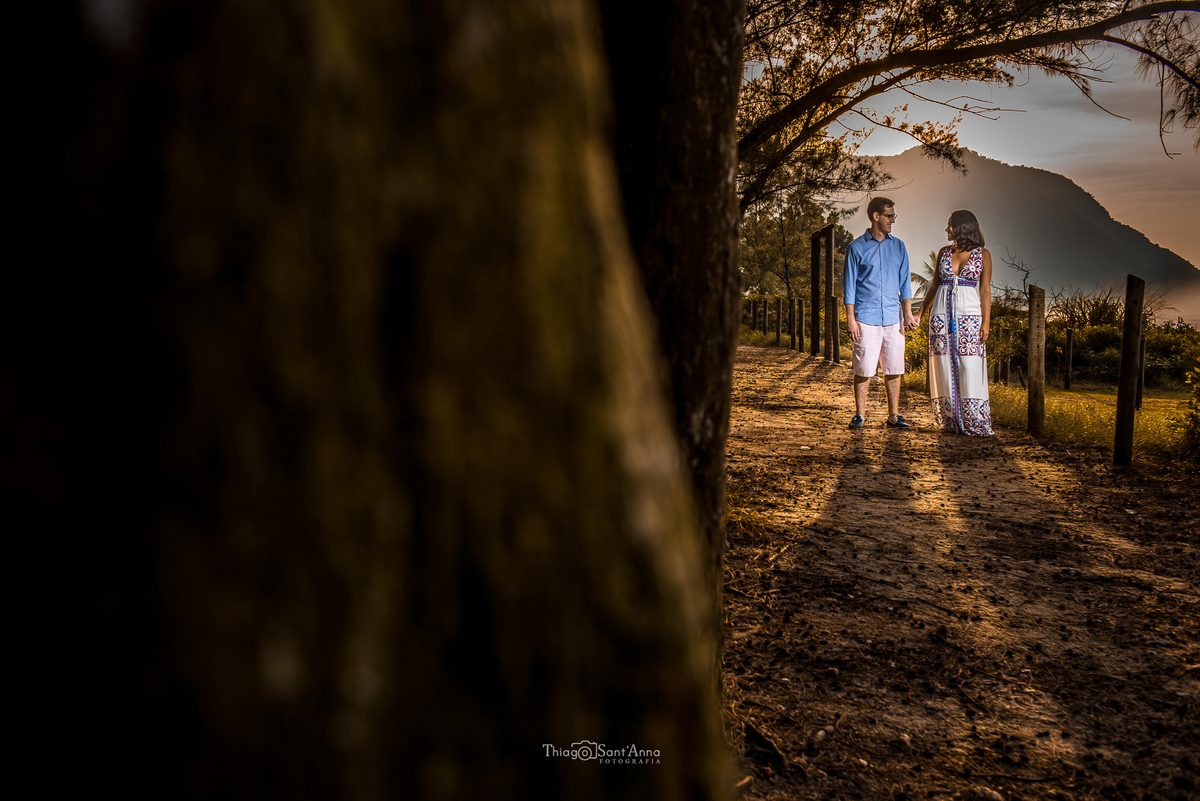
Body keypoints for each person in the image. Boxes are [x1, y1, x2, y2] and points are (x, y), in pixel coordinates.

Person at [844, 196, 918, 430]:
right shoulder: (856, 248)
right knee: (863, 368)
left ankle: (894, 415)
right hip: (865, 318)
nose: (892, 220)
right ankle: (859, 415)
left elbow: (905, 284)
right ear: (876, 216)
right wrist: (850, 320)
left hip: (893, 319)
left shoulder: (899, 246)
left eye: (893, 216)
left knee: (894, 368)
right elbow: (849, 287)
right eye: (889, 216)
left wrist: (907, 313)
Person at [919, 209, 994, 436]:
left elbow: (986, 290)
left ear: (962, 226)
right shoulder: (943, 253)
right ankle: (951, 420)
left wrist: (986, 323)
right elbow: (933, 287)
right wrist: (920, 313)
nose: (946, 229)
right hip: (941, 317)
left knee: (969, 366)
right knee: (944, 365)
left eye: (950, 225)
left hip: (970, 318)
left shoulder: (983, 255)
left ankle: (974, 420)